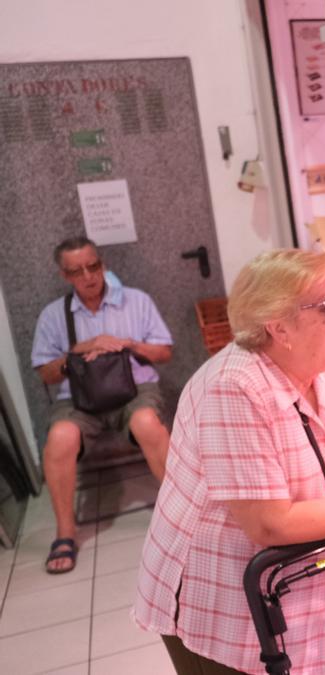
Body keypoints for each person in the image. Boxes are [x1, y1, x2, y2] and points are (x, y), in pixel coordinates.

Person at [133, 249, 325, 675]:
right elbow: (270, 523)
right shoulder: (232, 390)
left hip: (308, 578)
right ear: (280, 328)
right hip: (226, 606)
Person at [31, 236, 173, 574]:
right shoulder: (54, 315)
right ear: (65, 276)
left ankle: (182, 513)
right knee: (61, 436)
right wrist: (80, 350)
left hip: (135, 389)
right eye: (77, 271)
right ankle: (66, 531)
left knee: (146, 423)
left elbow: (165, 352)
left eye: (93, 266)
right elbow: (45, 374)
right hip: (80, 399)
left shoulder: (135, 301)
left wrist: (127, 344)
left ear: (103, 264)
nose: (88, 276)